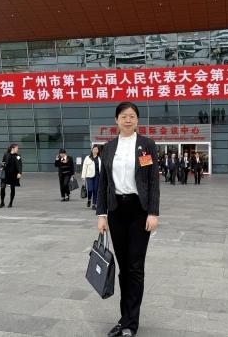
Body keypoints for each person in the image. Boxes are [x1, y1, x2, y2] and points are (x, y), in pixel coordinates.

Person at [97, 102, 160, 337]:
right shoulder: (108, 147)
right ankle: (125, 319)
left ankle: (130, 324)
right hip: (116, 210)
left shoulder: (146, 145)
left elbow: (153, 181)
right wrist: (101, 214)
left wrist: (153, 212)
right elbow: (103, 183)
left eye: (132, 116)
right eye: (124, 116)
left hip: (138, 211)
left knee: (135, 267)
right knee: (124, 268)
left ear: (137, 120)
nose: (128, 120)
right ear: (116, 120)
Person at [0, 144, 22, 208]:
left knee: (12, 188)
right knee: (2, 187)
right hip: (5, 174)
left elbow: (20, 165)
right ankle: (2, 202)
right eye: (17, 148)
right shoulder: (6, 154)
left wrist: (19, 173)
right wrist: (1, 165)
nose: (18, 149)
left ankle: (10, 203)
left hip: (13, 174)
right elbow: (3, 162)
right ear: (12, 148)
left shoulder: (18, 156)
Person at [82, 145, 102, 209]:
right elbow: (84, 168)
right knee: (90, 189)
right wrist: (83, 177)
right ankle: (89, 199)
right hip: (89, 176)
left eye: (96, 149)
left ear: (98, 151)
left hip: (97, 176)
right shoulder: (87, 158)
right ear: (92, 150)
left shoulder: (100, 158)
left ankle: (94, 204)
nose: (95, 150)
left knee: (95, 190)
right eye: (94, 149)